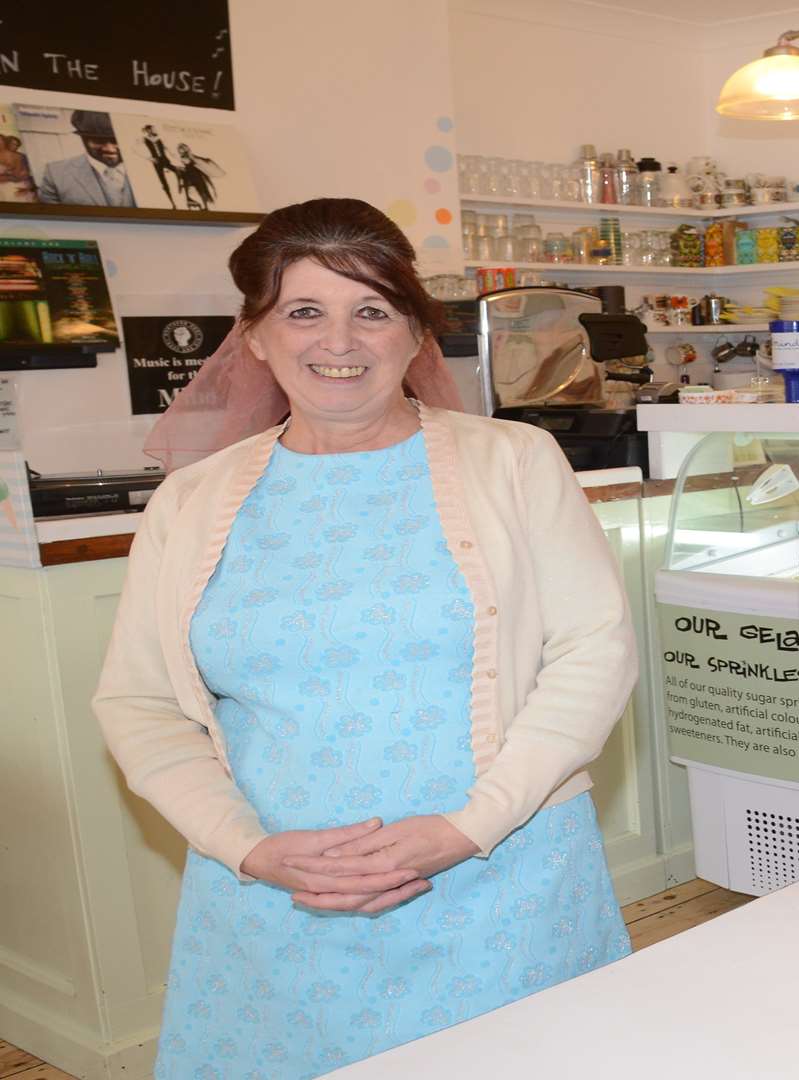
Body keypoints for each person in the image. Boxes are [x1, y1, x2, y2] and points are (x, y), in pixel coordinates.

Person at [96, 198, 638, 1078]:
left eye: (371, 312)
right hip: (277, 903)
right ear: (257, 337)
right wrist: (249, 847)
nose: (337, 342)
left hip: (498, 884)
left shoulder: (516, 463)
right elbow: (140, 702)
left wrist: (471, 827)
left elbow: (592, 654)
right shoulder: (190, 504)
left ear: (416, 333)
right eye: (303, 311)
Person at [37, 109, 134, 207]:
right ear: (83, 139)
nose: (110, 149)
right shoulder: (56, 174)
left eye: (116, 140)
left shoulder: (148, 169)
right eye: (98, 140)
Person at [141, 124, 179, 209]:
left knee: (177, 171)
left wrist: (176, 157)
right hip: (157, 162)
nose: (154, 130)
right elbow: (135, 148)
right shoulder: (144, 139)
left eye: (154, 129)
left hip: (165, 160)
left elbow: (168, 148)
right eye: (151, 129)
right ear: (148, 130)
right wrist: (149, 157)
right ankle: (172, 202)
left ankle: (180, 186)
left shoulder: (160, 138)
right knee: (163, 182)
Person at [177, 143, 220, 210]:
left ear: (185, 149)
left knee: (202, 191)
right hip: (192, 175)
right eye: (179, 150)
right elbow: (188, 163)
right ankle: (202, 205)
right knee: (200, 191)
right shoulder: (187, 156)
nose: (180, 151)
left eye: (181, 149)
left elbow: (189, 162)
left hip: (195, 175)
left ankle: (205, 207)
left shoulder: (188, 156)